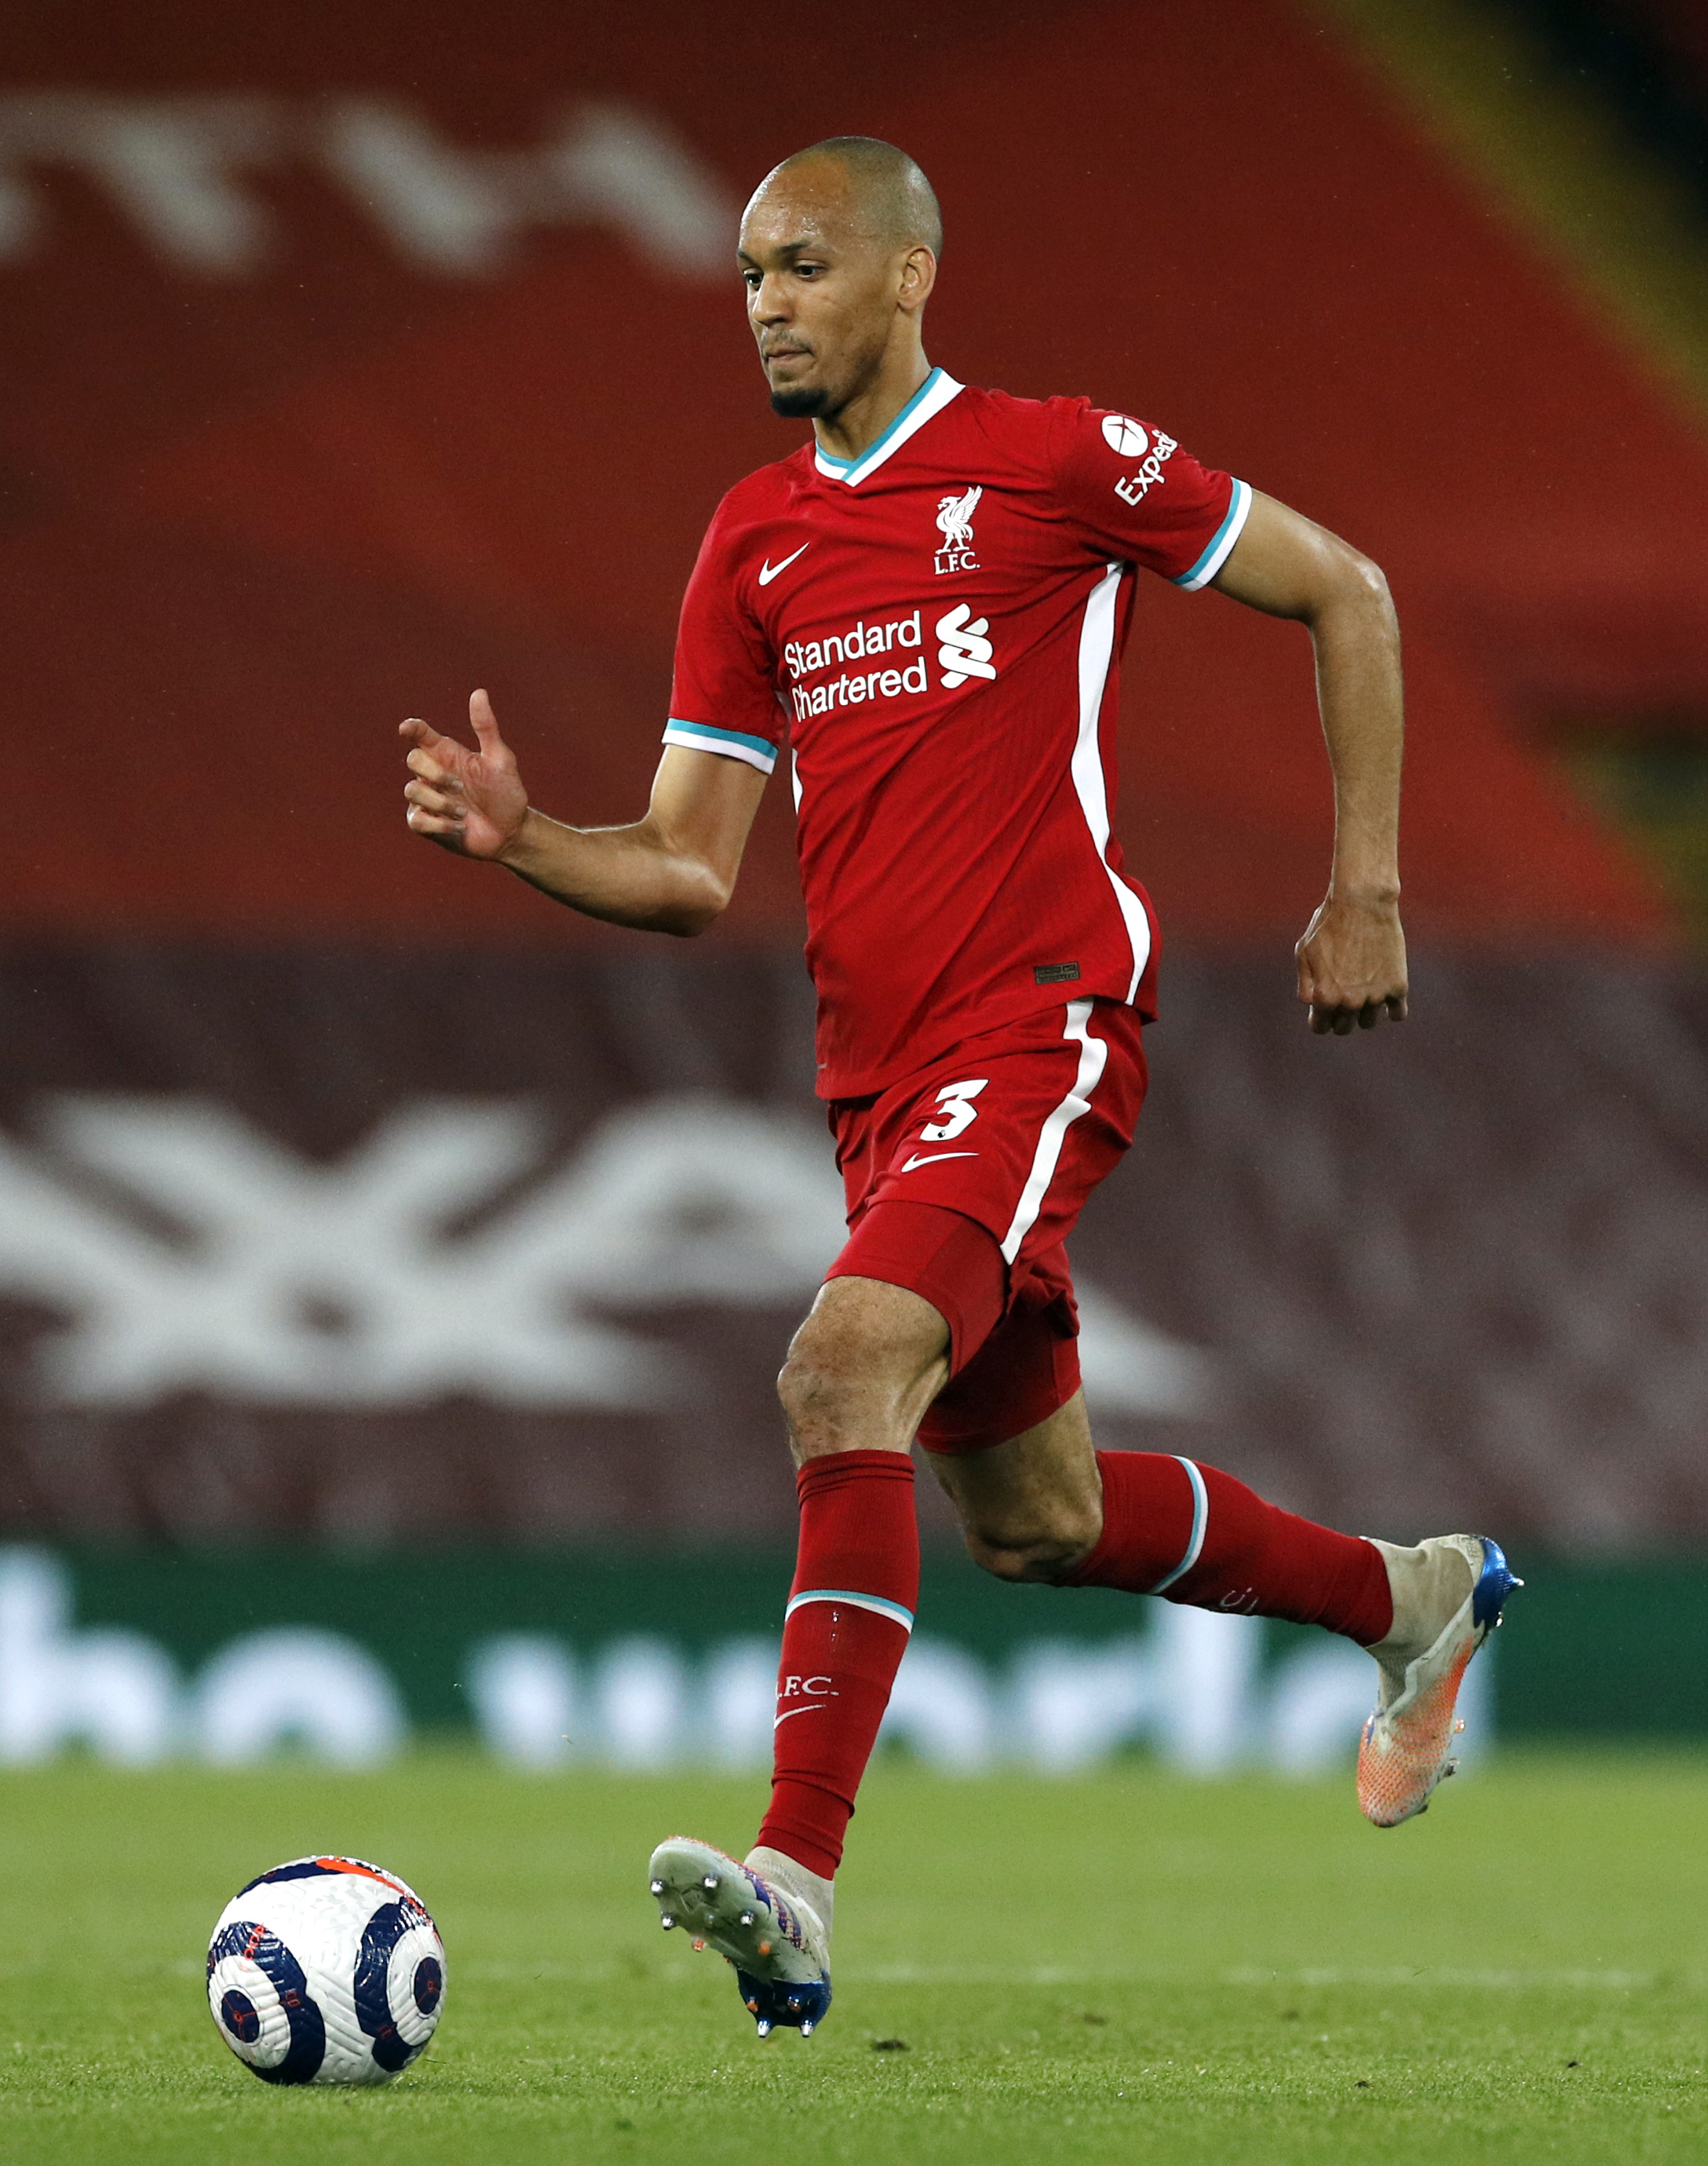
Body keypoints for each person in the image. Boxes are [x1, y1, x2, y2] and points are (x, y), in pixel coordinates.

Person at [400, 136, 1518, 2040]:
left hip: (1038, 1025)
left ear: (910, 274)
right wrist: (529, 843)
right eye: (748, 275)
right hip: (875, 1081)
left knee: (837, 1371)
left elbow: (1346, 591)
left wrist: (1365, 889)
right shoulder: (752, 540)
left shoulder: (1056, 461)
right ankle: (1409, 1601)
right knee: (1035, 1519)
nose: (765, 305)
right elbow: (685, 868)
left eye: (803, 265)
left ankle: (793, 1881)